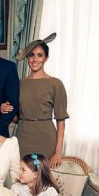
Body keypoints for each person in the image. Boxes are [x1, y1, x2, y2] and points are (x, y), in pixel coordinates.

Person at [13, 33, 69, 168]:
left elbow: (61, 121)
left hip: (46, 138)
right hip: (23, 137)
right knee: (23, 175)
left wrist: (58, 152)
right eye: (31, 55)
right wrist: (5, 110)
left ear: (46, 58)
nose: (35, 59)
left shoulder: (56, 84)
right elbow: (16, 118)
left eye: (40, 55)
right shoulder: (18, 84)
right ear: (27, 58)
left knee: (43, 177)